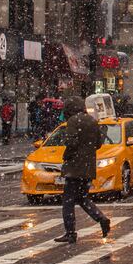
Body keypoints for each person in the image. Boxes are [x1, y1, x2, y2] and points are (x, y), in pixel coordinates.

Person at [53, 96, 111, 243]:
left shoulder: (73, 121)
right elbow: (98, 144)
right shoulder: (92, 120)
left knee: (68, 201)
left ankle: (70, 232)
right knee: (82, 197)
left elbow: (71, 142)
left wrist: (67, 155)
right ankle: (101, 218)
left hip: (74, 167)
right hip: (88, 167)